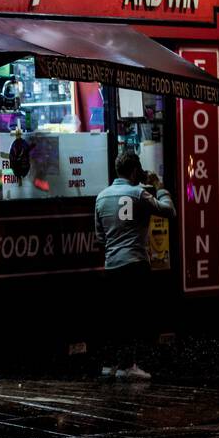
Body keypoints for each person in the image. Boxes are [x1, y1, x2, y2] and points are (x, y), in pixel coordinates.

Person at [93, 151, 176, 380]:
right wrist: (159, 186)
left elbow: (100, 238)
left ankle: (110, 365)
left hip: (112, 265)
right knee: (133, 316)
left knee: (115, 316)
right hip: (135, 263)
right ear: (133, 171)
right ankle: (128, 366)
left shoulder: (101, 197)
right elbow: (169, 211)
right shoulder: (139, 194)